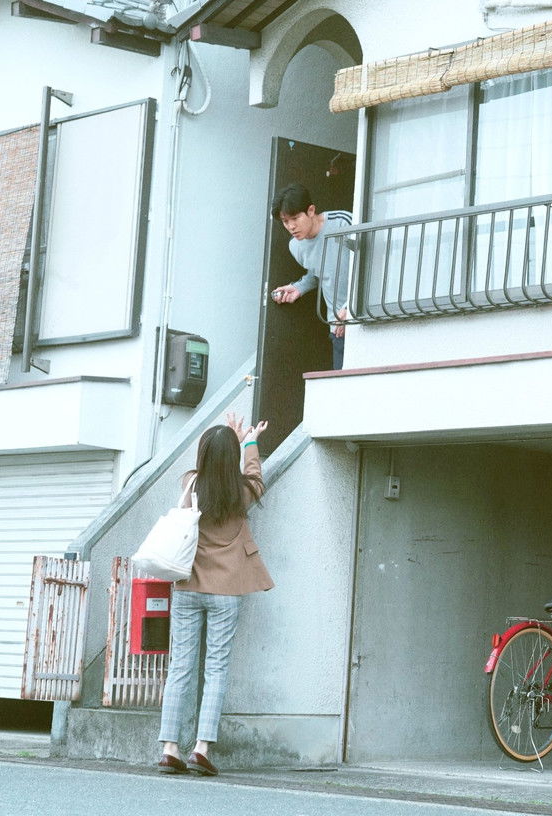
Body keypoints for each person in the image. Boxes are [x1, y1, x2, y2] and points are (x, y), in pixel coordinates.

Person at [156, 411, 272, 777]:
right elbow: (255, 475)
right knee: (216, 668)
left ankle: (170, 748)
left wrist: (229, 439)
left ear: (203, 454)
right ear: (231, 456)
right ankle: (202, 748)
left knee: (180, 666)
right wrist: (248, 441)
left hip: (188, 585)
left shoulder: (191, 483)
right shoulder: (242, 492)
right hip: (226, 590)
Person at [268, 183, 355, 369]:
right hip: (338, 328)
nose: (291, 226)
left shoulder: (343, 222)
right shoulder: (295, 246)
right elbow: (319, 273)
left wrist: (351, 307)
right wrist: (298, 287)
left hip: (362, 316)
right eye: (285, 221)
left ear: (311, 211)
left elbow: (371, 263)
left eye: (295, 218)